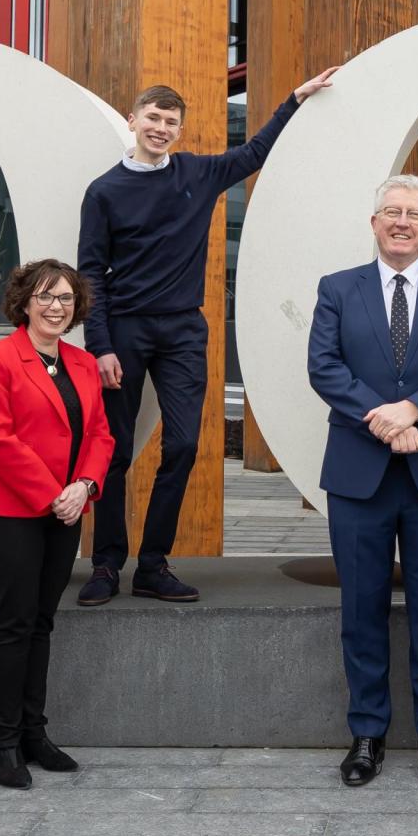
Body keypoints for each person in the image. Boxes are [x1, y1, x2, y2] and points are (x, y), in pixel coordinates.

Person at [77, 67, 338, 606]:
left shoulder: (197, 173)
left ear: (179, 130)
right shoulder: (103, 191)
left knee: (185, 444)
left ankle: (152, 564)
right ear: (132, 120)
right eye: (152, 117)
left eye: (170, 121)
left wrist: (293, 96)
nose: (161, 127)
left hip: (182, 331)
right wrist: (99, 345)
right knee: (115, 453)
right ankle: (106, 564)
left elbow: (255, 153)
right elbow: (89, 275)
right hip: (123, 330)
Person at [307, 175, 418, 786]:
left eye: (414, 213)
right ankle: (367, 734)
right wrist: (386, 423)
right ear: (375, 221)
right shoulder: (338, 289)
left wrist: (413, 411)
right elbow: (325, 369)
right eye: (392, 211)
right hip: (359, 479)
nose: (402, 222)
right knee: (361, 608)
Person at [0, 259, 115, 789]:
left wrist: (85, 487)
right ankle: (3, 743)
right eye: (46, 296)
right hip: (12, 511)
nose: (57, 306)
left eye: (66, 298)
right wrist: (53, 493)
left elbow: (100, 434)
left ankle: (35, 733)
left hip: (68, 509)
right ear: (25, 302)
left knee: (43, 623)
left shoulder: (80, 363)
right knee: (15, 623)